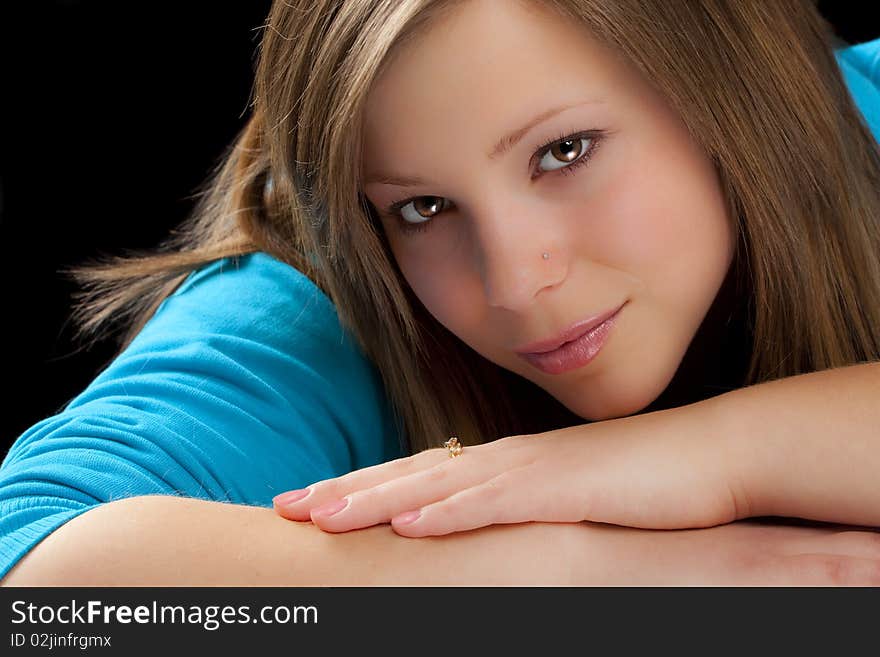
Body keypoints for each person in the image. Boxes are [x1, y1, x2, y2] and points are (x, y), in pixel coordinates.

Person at [2, 0, 879, 586]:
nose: (510, 280)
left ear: (729, 87)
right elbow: (38, 591)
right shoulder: (335, 291)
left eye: (564, 151)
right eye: (422, 207)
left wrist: (702, 457)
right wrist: (575, 568)